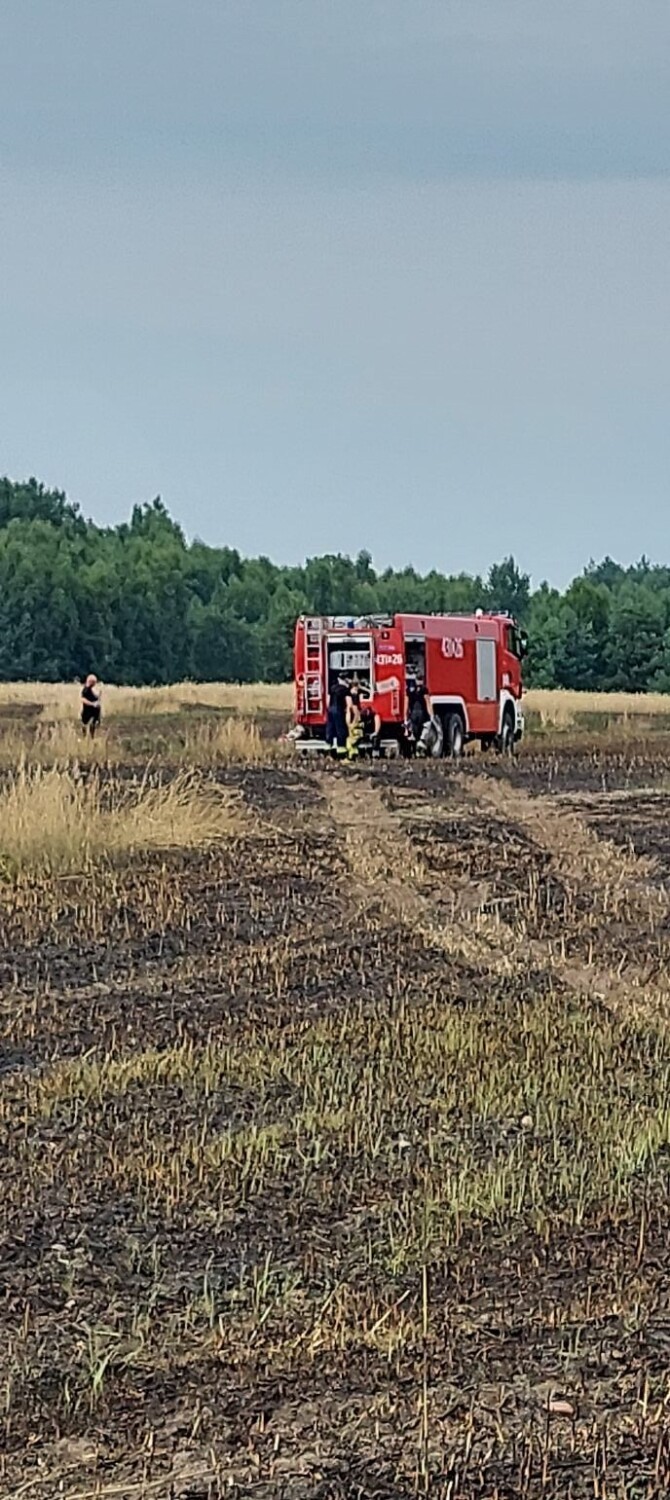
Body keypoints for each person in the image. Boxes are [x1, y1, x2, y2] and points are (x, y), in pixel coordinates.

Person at [326, 672, 351, 757]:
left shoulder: (332, 688)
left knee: (330, 728)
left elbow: (327, 701)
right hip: (339, 710)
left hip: (330, 710)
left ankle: (329, 746)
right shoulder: (345, 689)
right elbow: (349, 703)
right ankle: (341, 750)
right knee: (340, 729)